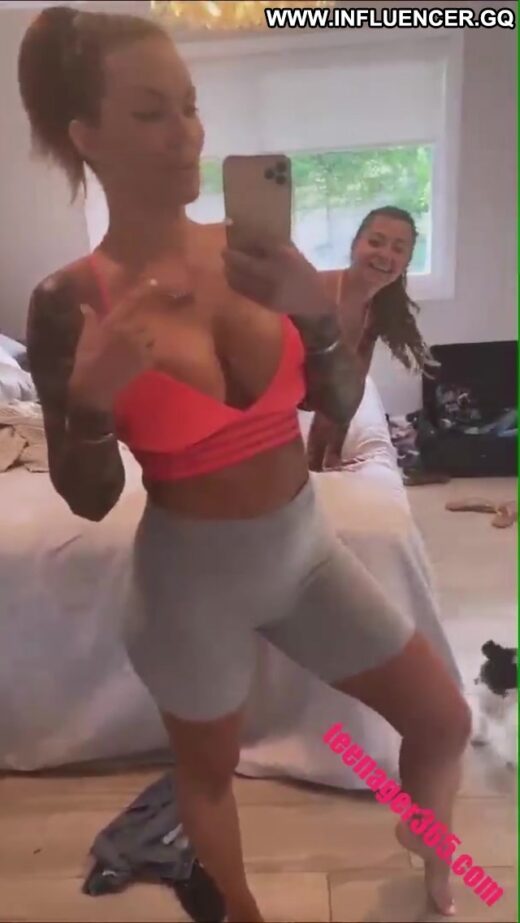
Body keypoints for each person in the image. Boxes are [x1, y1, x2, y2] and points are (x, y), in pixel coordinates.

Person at [19, 8, 469, 921]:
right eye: (152, 113)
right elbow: (90, 497)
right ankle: (242, 909)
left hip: (305, 551)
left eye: (189, 106)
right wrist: (94, 403)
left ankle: (425, 832)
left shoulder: (255, 251)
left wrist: (315, 311)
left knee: (445, 718)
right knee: (208, 774)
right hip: (190, 584)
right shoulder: (71, 301)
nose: (188, 133)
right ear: (86, 136)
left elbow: (335, 402)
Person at [307, 205, 435, 472]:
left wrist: (334, 454)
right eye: (375, 242)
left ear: (406, 262)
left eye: (398, 249)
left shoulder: (376, 308)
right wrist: (314, 468)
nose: (385, 255)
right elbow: (329, 396)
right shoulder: (323, 293)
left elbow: (352, 388)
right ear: (355, 245)